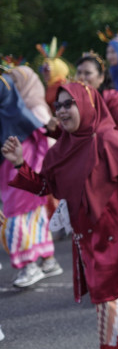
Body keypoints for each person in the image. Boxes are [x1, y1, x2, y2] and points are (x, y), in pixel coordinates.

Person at [3, 82, 118, 349]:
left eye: (70, 104)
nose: (63, 111)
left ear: (89, 105)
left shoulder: (108, 139)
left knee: (115, 292)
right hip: (87, 235)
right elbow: (46, 188)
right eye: (59, 106)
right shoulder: (61, 150)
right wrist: (19, 164)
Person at [0, 75, 62, 287]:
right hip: (13, 180)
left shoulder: (23, 114)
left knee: (13, 222)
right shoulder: (7, 115)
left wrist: (36, 173)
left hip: (24, 178)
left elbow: (44, 141)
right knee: (34, 220)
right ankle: (48, 260)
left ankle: (30, 266)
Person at [75, 52, 118, 150]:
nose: (81, 77)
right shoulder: (73, 98)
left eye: (87, 73)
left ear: (101, 78)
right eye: (79, 72)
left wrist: (114, 149)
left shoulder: (111, 97)